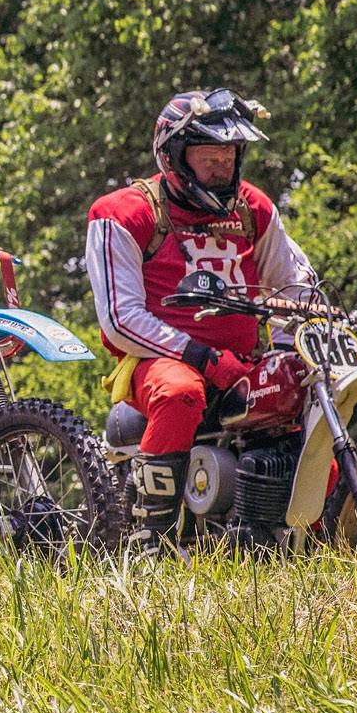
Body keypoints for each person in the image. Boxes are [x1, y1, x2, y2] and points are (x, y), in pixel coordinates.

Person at [83, 88, 316, 547]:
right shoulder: (123, 213)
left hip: (244, 360)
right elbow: (120, 319)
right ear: (173, 156)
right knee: (180, 392)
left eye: (229, 156)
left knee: (310, 386)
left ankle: (304, 530)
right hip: (159, 362)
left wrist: (296, 346)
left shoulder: (254, 208)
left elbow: (294, 288)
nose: (221, 167)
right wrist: (203, 357)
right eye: (209, 157)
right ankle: (151, 541)